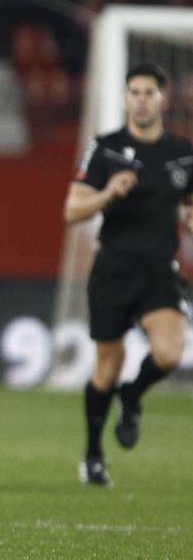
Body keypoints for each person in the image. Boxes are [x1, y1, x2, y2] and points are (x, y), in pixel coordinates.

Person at [65, 61, 193, 487]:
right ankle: (93, 453)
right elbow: (72, 210)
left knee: (169, 354)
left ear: (163, 99)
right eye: (134, 92)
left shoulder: (182, 154)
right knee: (107, 366)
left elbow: (190, 209)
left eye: (149, 92)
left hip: (159, 268)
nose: (141, 100)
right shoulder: (104, 149)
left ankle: (133, 395)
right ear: (124, 98)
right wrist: (107, 193)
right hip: (114, 266)